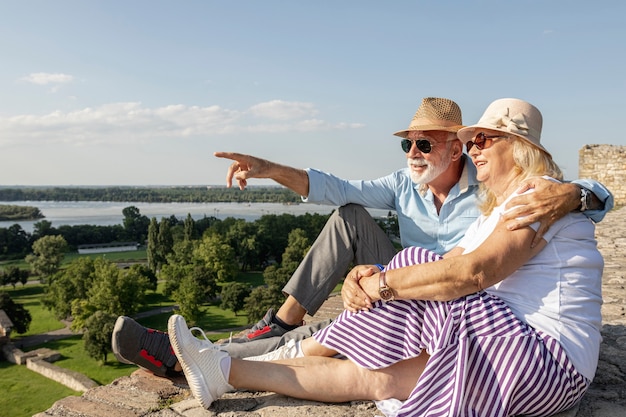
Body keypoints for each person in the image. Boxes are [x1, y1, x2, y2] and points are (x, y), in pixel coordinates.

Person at [112, 97, 612, 377]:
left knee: (325, 341)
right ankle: (276, 325)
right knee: (349, 216)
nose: (412, 152)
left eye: (425, 143)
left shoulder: (492, 189)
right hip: (416, 283)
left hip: (451, 298)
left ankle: (189, 359)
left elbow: (588, 195)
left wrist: (574, 193)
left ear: (456, 150)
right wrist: (268, 169)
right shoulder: (403, 186)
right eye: (407, 143)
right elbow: (334, 188)